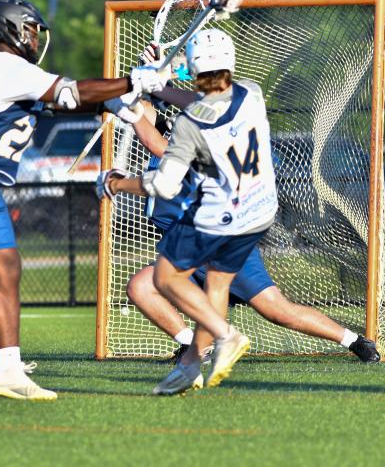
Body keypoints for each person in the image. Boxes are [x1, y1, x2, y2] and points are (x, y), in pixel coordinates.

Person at [99, 84, 379, 393]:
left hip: (219, 242)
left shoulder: (189, 147)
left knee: (277, 310)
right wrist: (136, 94)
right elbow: (153, 126)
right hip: (189, 252)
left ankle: (353, 341)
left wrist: (128, 112)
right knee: (141, 286)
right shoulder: (172, 140)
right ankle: (194, 348)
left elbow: (154, 144)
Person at [0, 0, 169, 401]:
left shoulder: (6, 69)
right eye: (33, 29)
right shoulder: (5, 69)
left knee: (6, 268)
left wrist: (121, 97)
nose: (37, 38)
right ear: (13, 29)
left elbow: (68, 97)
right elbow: (71, 93)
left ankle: (7, 370)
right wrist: (132, 82)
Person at [97, 28, 283, 395]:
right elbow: (207, 98)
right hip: (258, 212)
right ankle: (190, 365)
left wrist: (115, 183)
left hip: (219, 216)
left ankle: (225, 335)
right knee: (215, 283)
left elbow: (164, 184)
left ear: (194, 67)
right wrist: (162, 83)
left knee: (165, 277)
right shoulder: (251, 94)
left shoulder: (189, 126)